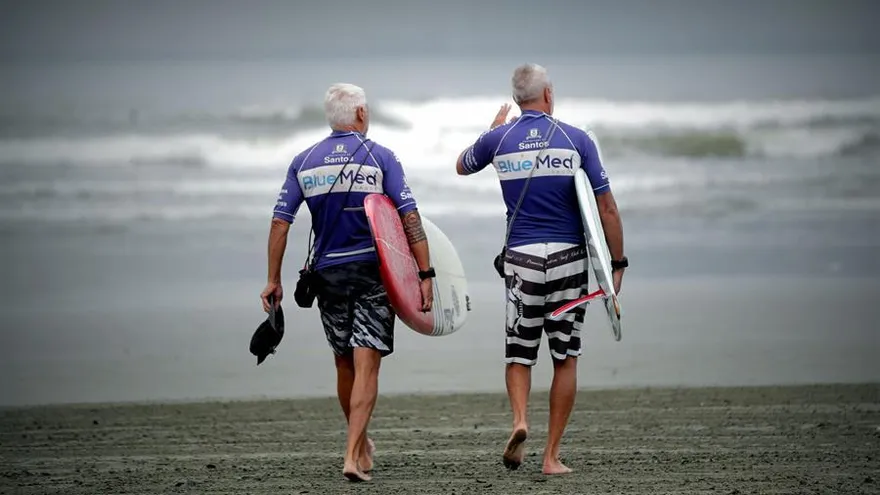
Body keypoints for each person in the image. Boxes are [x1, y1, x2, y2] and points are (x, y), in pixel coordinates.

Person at [454, 63, 627, 475]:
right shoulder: (577, 139)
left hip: (522, 261)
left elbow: (461, 165)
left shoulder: (500, 139)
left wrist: (492, 128)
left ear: (516, 99)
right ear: (548, 94)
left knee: (519, 352)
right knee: (565, 355)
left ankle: (519, 421)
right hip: (569, 258)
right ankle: (551, 457)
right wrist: (615, 263)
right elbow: (605, 206)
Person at [260, 83, 435, 482]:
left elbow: (279, 222)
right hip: (374, 273)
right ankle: (351, 456)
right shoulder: (382, 157)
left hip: (329, 276)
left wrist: (273, 279)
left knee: (344, 362)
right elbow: (409, 217)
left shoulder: (304, 162)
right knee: (367, 363)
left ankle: (361, 445)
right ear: (359, 115)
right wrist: (425, 274)